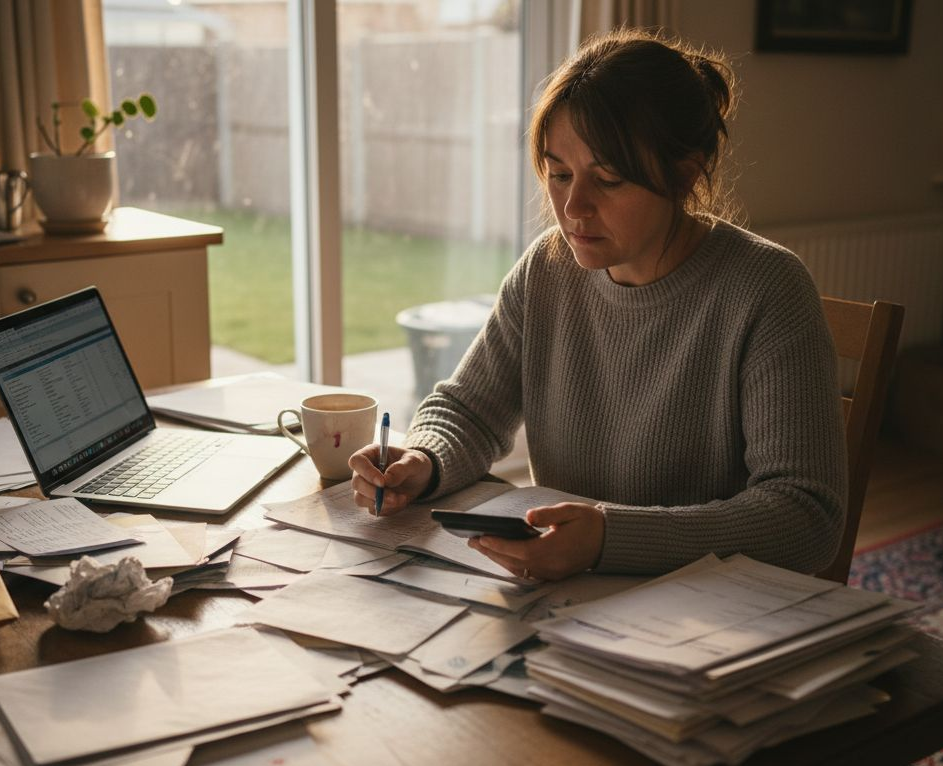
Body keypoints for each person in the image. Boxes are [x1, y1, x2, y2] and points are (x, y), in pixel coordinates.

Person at [347, 28, 847, 581]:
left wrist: (611, 538)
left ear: (685, 173)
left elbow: (807, 517)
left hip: (707, 616)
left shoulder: (767, 289)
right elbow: (468, 409)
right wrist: (424, 460)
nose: (572, 206)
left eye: (607, 179)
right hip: (564, 593)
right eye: (559, 174)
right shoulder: (548, 269)